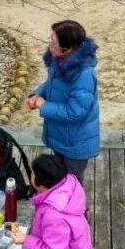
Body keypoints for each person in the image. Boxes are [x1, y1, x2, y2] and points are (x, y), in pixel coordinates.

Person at [27, 20, 100, 184]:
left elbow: (75, 112)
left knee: (72, 185)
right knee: (59, 179)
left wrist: (43, 105)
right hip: (61, 137)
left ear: (67, 48)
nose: (49, 45)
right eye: (50, 39)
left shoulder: (84, 76)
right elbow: (52, 84)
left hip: (75, 144)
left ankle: (78, 211)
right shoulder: (59, 59)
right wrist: (37, 94)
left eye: (53, 43)